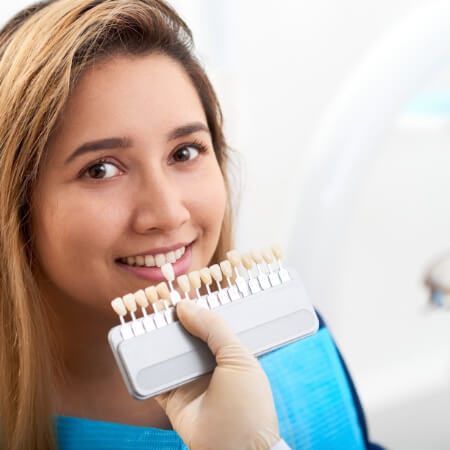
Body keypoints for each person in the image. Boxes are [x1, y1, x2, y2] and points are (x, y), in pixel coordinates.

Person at [0, 1, 382, 449]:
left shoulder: (298, 339)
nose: (167, 213)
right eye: (101, 169)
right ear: (15, 203)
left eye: (184, 152)